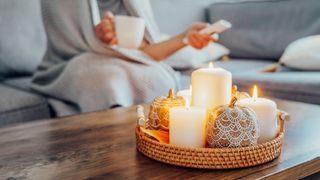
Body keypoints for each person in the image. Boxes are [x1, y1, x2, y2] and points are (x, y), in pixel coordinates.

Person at [31, 0, 214, 117]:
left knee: (154, 75)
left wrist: (186, 37)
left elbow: (147, 50)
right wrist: (99, 39)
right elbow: (69, 44)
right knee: (107, 78)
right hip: (73, 61)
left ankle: (153, 135)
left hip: (123, 62)